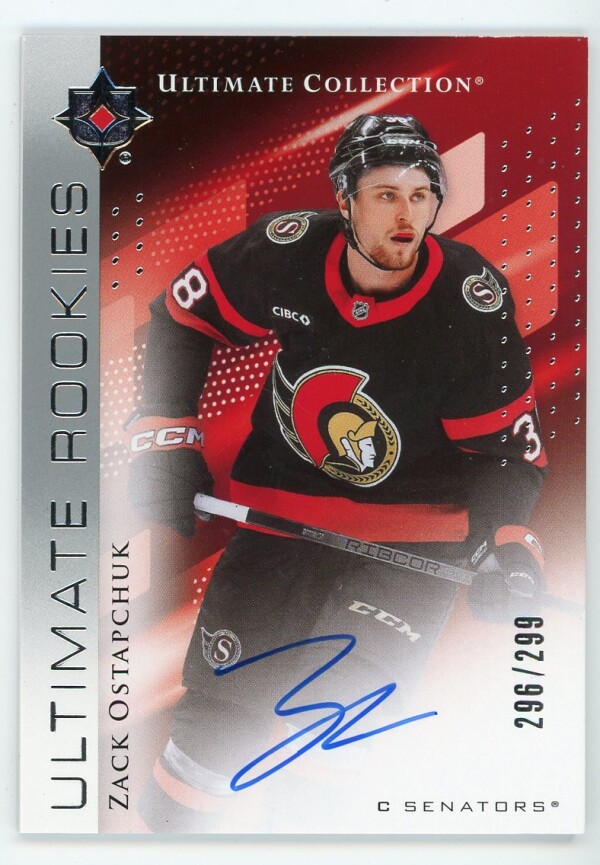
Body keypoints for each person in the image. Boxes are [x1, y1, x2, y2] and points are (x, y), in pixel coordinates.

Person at [128, 114, 547, 832]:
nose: (406, 214)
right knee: (214, 730)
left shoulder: (469, 302)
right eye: (385, 194)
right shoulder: (285, 251)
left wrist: (508, 547)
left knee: (336, 733)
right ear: (345, 199)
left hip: (413, 543)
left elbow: (510, 454)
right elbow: (180, 314)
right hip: (277, 519)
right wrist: (164, 438)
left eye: (421, 195)